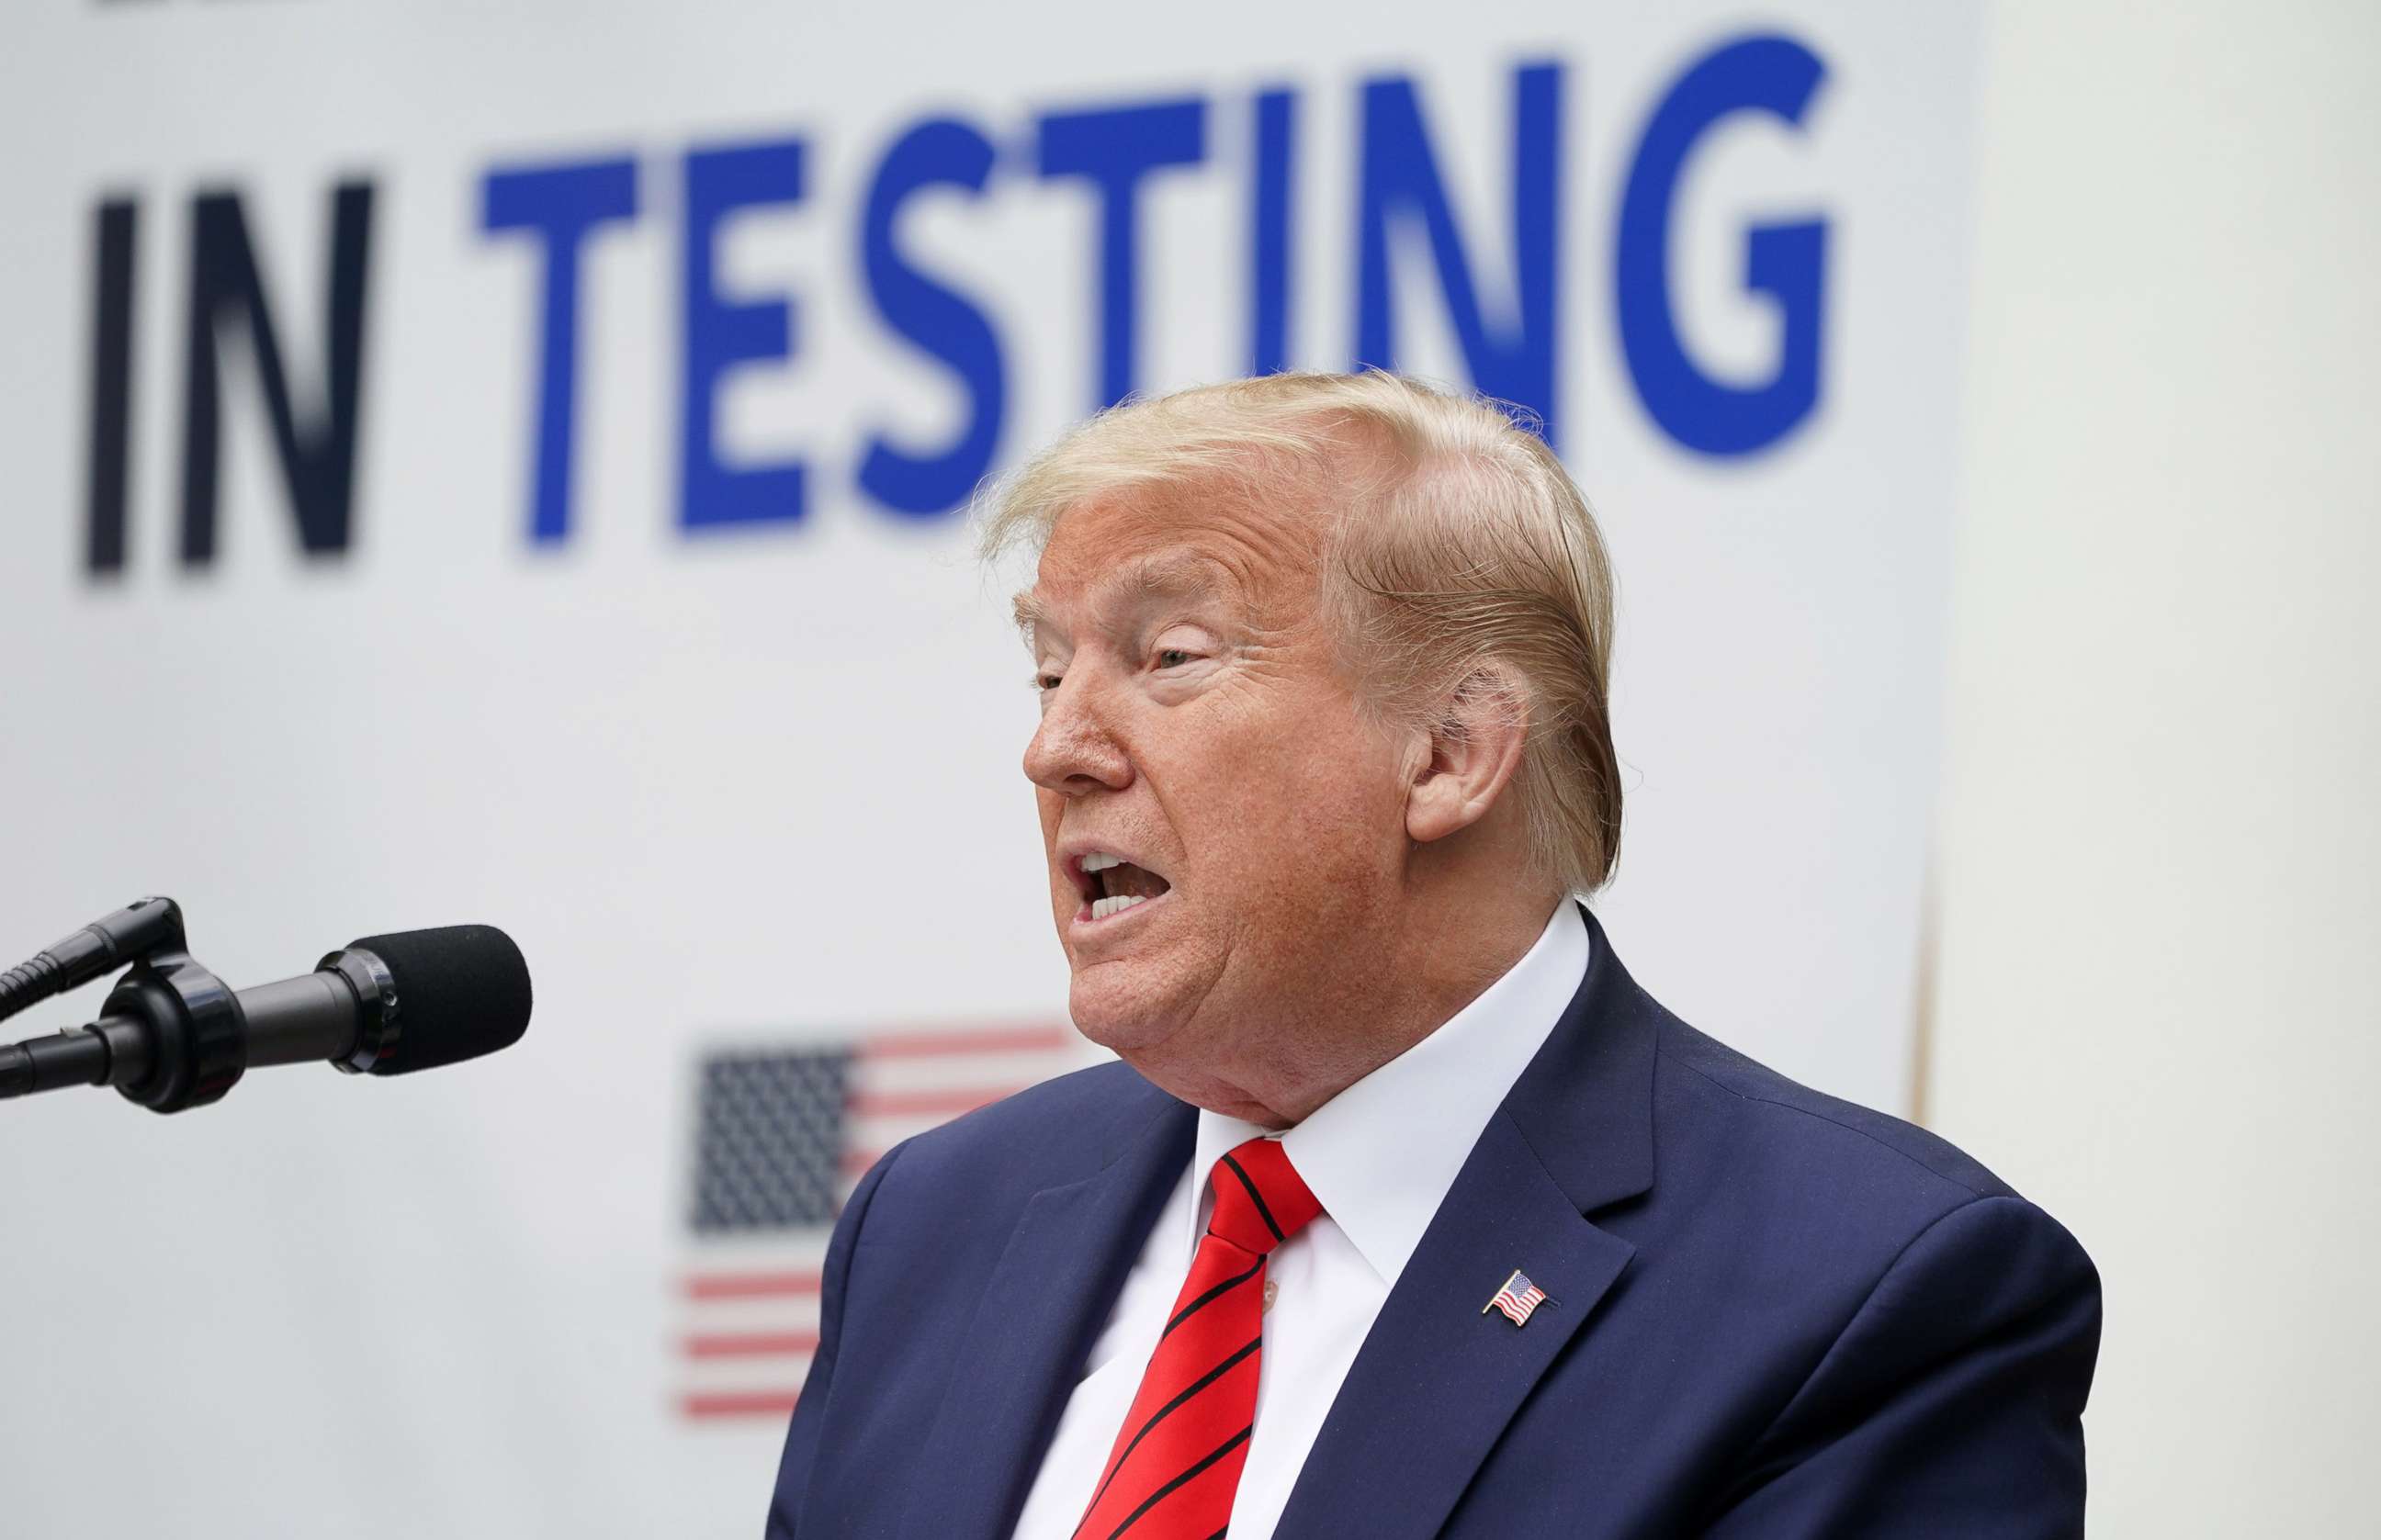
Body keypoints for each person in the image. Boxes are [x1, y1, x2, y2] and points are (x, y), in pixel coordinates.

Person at [764, 371, 2100, 1539]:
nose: (1056, 748)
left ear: (1454, 752)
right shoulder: (932, 1228)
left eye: (1168, 655)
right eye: (1050, 673)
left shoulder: (1870, 1296)